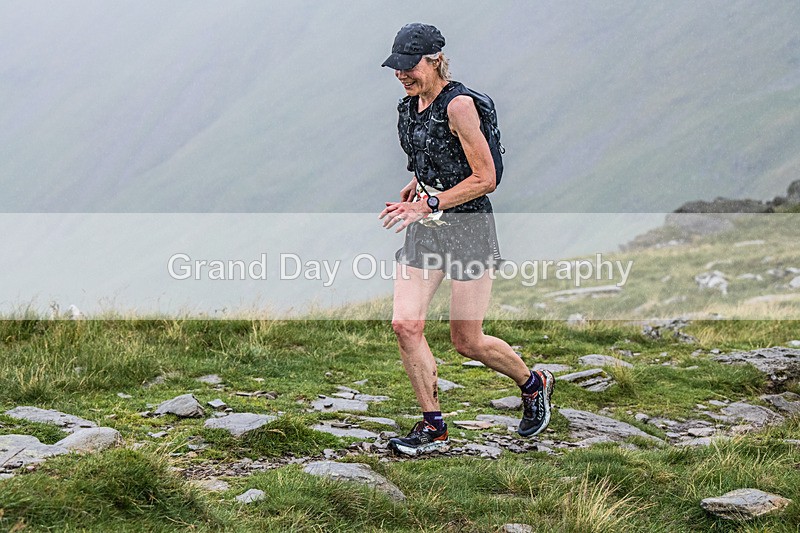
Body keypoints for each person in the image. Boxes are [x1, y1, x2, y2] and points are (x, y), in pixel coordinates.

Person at [379, 23, 555, 456]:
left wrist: (431, 201)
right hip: (428, 227)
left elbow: (486, 178)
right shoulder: (409, 105)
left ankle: (533, 385)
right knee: (406, 324)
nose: (402, 74)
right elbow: (429, 158)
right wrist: (417, 187)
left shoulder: (458, 106)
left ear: (435, 59)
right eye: (397, 67)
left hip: (470, 229)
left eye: (410, 66)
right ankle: (433, 425)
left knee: (467, 341)